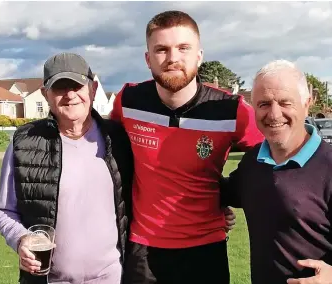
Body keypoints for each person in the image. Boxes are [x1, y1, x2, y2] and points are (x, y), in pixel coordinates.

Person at [110, 10, 264, 284]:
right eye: (161, 49)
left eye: (183, 48)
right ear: (148, 59)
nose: (173, 58)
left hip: (205, 251)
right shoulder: (128, 101)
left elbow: (270, 155)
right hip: (143, 249)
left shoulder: (231, 110)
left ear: (199, 55)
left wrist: (227, 192)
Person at [221, 60, 332, 284]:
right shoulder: (253, 162)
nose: (274, 114)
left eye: (285, 103)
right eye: (264, 104)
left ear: (307, 103)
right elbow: (224, 192)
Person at [0, 52, 134, 284]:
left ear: (93, 89)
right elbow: (2, 209)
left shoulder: (119, 138)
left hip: (112, 278)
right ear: (46, 94)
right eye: (59, 88)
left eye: (77, 86)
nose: (69, 95)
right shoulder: (23, 142)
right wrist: (21, 239)